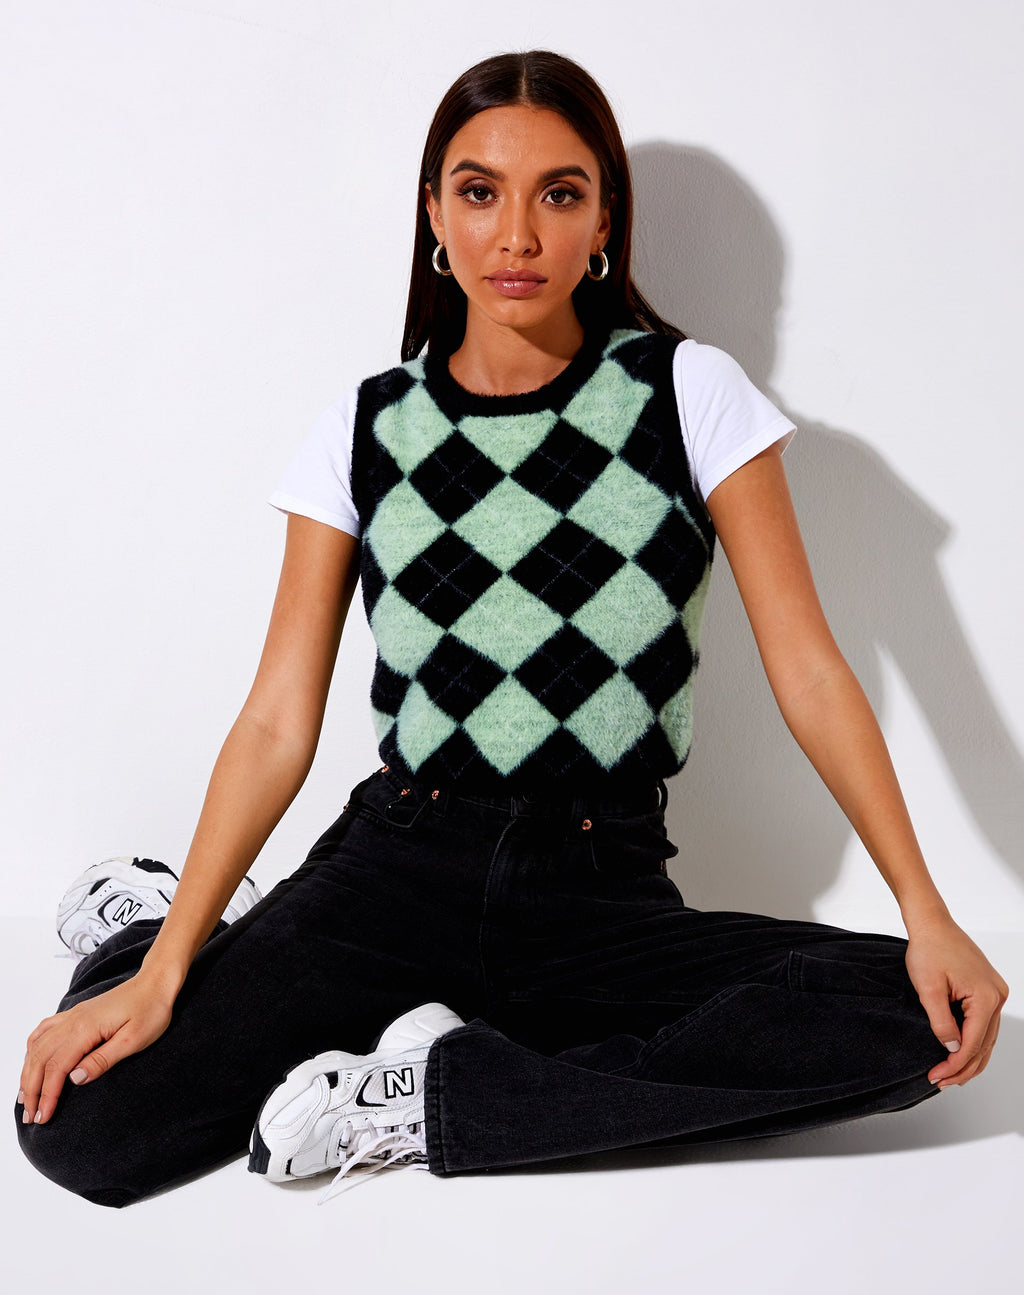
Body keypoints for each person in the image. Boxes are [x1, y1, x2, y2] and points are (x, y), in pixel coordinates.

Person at [16, 50, 1008, 1208]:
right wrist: (164, 973)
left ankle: (425, 1095)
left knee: (921, 1020)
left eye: (560, 193)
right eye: (480, 192)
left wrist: (928, 912)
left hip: (598, 888)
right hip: (395, 868)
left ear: (604, 221)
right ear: (435, 215)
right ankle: (171, 923)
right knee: (83, 1132)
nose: (518, 234)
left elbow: (813, 674)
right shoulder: (366, 426)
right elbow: (278, 719)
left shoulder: (689, 394)